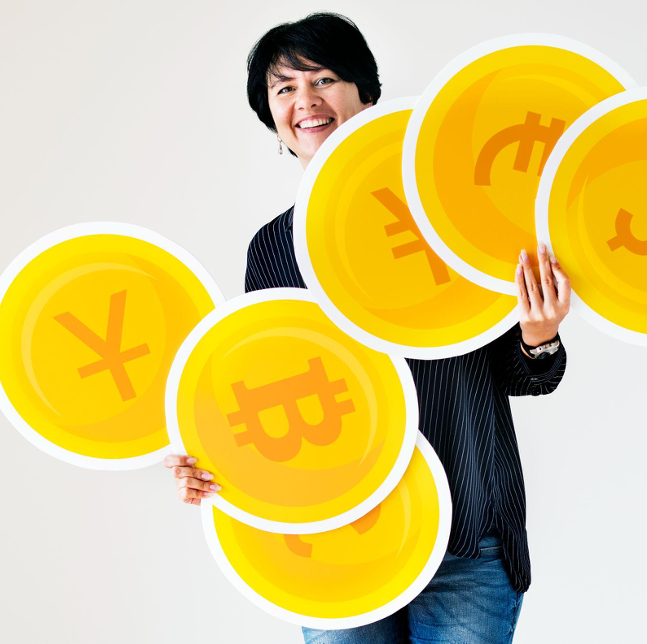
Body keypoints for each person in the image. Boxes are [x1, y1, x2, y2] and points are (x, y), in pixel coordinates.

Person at [163, 12, 570, 644]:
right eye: (285, 88)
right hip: (335, 544)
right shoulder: (271, 249)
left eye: (324, 79)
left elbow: (522, 376)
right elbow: (272, 395)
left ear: (367, 94)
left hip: (466, 537)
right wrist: (210, 458)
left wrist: (539, 335)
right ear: (272, 116)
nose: (306, 100)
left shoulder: (454, 217)